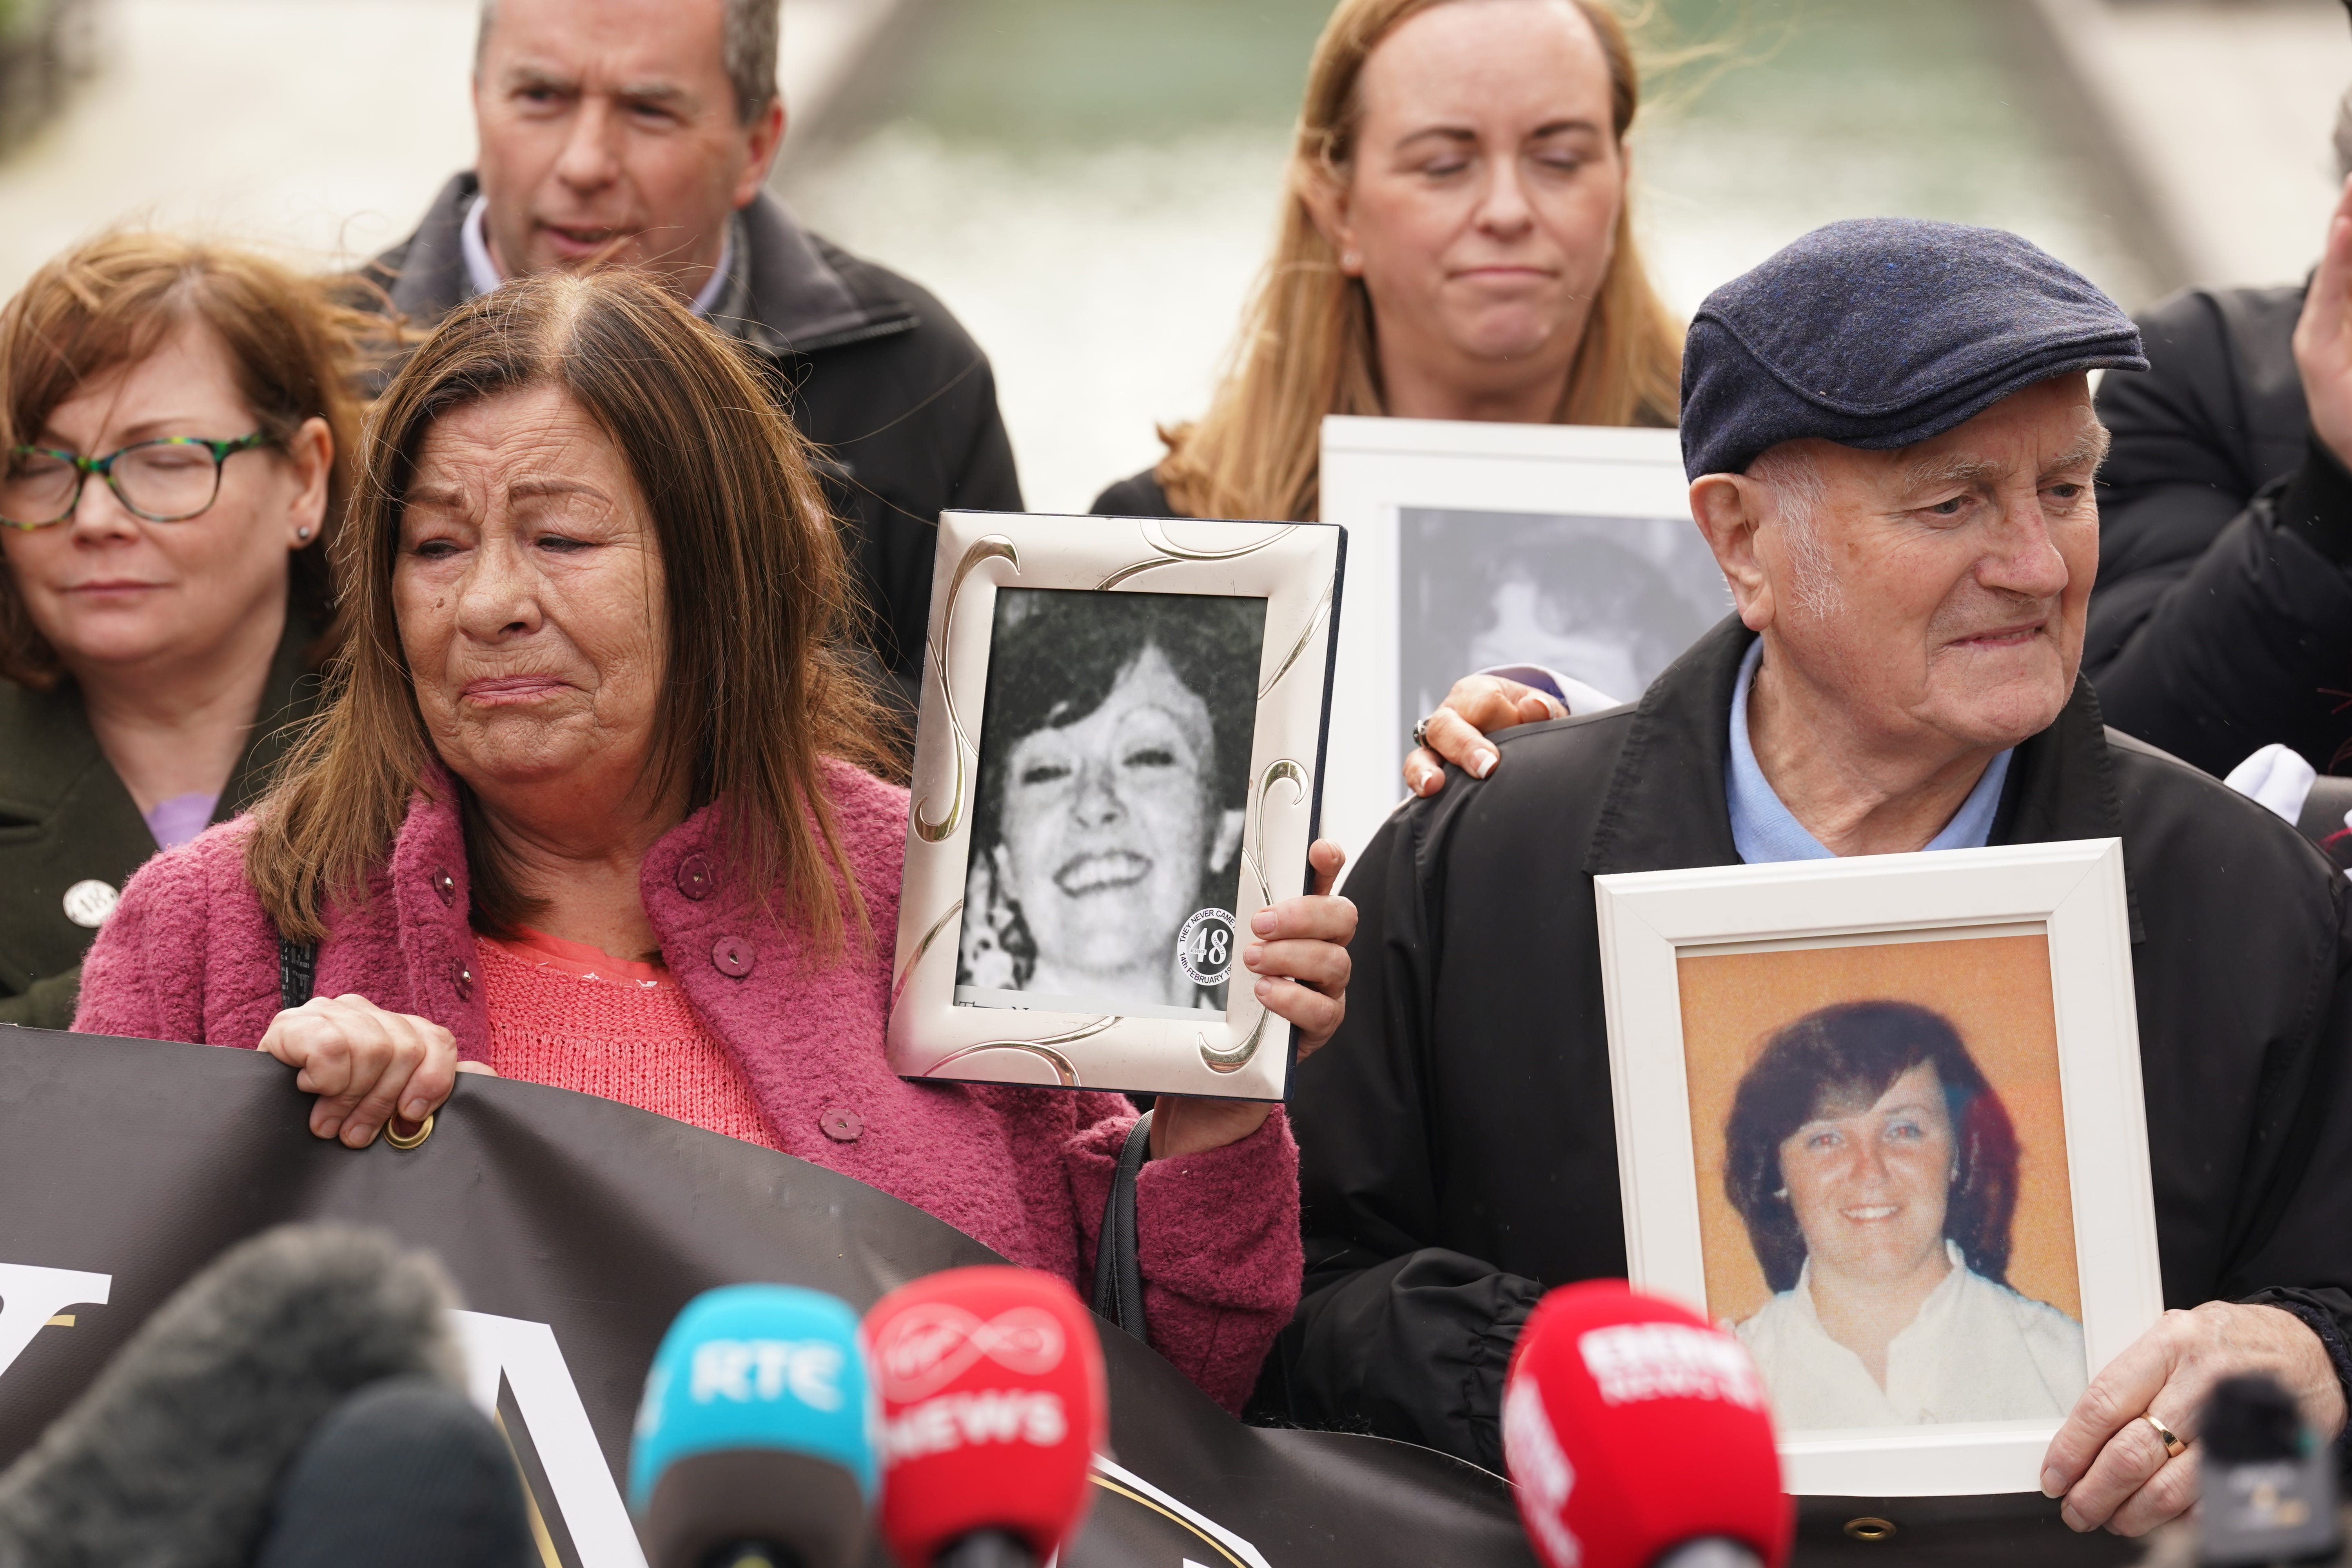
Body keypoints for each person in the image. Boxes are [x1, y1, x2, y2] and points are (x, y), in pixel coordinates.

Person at [71, 270, 1357, 1415]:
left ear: (721, 572)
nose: (490, 605)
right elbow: (75, 1387)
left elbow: (1168, 1410)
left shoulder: (943, 892)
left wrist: (1210, 1099)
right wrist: (253, 1148)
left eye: (561, 539)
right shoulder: (219, 926)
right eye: (436, 547)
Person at [1281, 218, 2352, 1539]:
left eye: (2066, 491)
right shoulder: (1478, 864)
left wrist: (2303, 1381)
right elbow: (1289, 1297)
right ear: (1741, 544)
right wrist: (1549, 1376)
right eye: (1954, 503)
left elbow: (2311, 1398)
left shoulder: (2243, 900)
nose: (2038, 563)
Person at [363, 0, 1020, 699]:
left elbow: (989, 749)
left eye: (649, 110)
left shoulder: (914, 378)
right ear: (478, 104)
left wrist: (780, 662)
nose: (585, 162)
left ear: (757, 145)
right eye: (541, 97)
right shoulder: (308, 366)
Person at [1092, 0, 1681, 539]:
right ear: (1337, 206)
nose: (1507, 210)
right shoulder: (1166, 542)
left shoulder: (1740, 498)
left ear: (1621, 182)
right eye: (1444, 166)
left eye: (1560, 160)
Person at [0, 234, 360, 1028]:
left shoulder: (427, 747)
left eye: (164, 460)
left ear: (304, 478)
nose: (93, 519)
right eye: (40, 466)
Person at [1725, 1001, 2085, 1430]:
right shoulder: (1717, 1391)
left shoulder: (2072, 1367)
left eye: (1904, 1130)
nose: (1870, 1169)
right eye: (1826, 1138)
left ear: (1958, 1155)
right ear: (1776, 1174)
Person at [959, 590, 1262, 1016]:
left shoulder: (1275, 1055)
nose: (1095, 803)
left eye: (1147, 757)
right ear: (1004, 860)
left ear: (1225, 830)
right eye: (1047, 770)